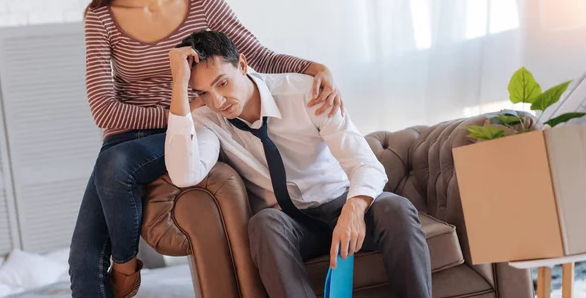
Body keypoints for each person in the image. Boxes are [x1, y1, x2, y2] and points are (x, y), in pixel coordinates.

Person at [69, 0, 344, 298]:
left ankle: (127, 266)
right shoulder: (101, 18)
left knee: (116, 164)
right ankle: (121, 270)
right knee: (81, 262)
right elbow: (105, 110)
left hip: (190, 129)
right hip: (130, 135)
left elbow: (255, 56)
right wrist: (182, 107)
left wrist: (314, 67)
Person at [165, 30, 432, 298]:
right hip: (294, 228)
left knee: (396, 208)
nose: (217, 101)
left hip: (341, 204)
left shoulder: (305, 93)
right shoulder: (206, 119)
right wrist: (179, 85)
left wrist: (354, 210)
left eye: (222, 84)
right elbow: (185, 174)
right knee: (264, 224)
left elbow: (365, 162)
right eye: (204, 93)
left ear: (243, 65)